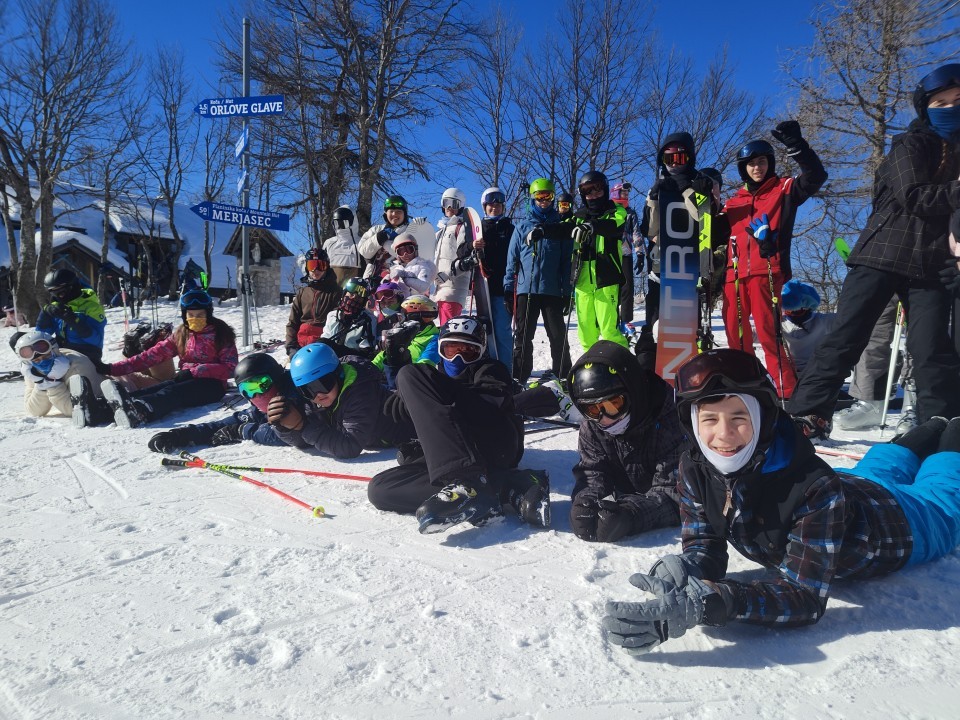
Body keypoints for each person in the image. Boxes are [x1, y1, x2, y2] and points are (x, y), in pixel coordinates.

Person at [602, 348, 960, 656]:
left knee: (945, 480)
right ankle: (937, 421)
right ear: (692, 423)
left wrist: (718, 600)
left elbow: (804, 597)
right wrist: (689, 568)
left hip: (901, 524)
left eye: (739, 418)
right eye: (709, 419)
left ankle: (953, 423)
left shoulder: (814, 487)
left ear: (763, 418)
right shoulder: (694, 468)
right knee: (887, 459)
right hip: (856, 483)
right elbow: (705, 544)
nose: (723, 435)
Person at [788, 65, 960, 439]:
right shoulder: (910, 145)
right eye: (941, 103)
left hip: (931, 265)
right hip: (882, 254)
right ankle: (806, 415)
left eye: (958, 102)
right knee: (847, 337)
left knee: (931, 347)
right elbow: (913, 195)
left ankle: (940, 424)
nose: (950, 109)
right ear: (925, 109)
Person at [367, 316, 548, 534]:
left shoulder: (491, 370)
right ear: (441, 352)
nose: (459, 358)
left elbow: (489, 409)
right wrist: (401, 371)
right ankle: (500, 487)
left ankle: (467, 481)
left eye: (469, 351)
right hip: (456, 457)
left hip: (493, 445)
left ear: (481, 352)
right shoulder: (431, 381)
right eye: (451, 350)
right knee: (379, 489)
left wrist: (437, 394)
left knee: (411, 373)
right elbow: (393, 413)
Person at [722, 122, 827, 399]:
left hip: (767, 271)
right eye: (750, 163)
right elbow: (713, 233)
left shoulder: (784, 189)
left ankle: (786, 390)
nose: (757, 168)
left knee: (769, 335)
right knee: (736, 335)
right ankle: (745, 384)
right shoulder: (734, 202)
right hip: (733, 277)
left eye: (762, 161)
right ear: (742, 168)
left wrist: (798, 147)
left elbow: (815, 176)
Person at [567, 340, 688, 543]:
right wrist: (586, 499)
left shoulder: (670, 418)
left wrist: (631, 515)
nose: (604, 417)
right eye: (593, 409)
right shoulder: (593, 426)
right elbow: (593, 472)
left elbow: (675, 494)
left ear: (634, 392)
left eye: (614, 404)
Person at [98, 290, 239, 428]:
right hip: (186, 378)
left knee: (172, 392)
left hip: (212, 386)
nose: (195, 318)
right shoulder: (181, 334)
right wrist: (112, 369)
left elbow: (231, 368)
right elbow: (151, 356)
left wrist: (195, 371)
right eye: (191, 315)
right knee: (156, 388)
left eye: (200, 314)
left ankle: (141, 412)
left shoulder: (221, 334)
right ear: (185, 315)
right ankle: (102, 409)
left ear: (208, 314)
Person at [268, 342, 413, 459]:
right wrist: (286, 427)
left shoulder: (360, 391)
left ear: (338, 375)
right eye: (307, 390)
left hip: (413, 426)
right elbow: (306, 439)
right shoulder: (318, 398)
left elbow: (350, 446)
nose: (318, 394)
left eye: (323, 384)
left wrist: (303, 426)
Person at [146, 352, 297, 452]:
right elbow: (228, 422)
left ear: (277, 378)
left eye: (262, 384)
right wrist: (182, 435)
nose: (257, 394)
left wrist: (242, 431)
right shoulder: (260, 408)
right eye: (247, 389)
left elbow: (288, 434)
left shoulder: (297, 396)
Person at [503, 178, 573, 382]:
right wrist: (509, 289)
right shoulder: (522, 226)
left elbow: (566, 262)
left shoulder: (560, 227)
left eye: (548, 196)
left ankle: (563, 374)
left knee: (558, 335)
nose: (544, 201)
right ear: (533, 198)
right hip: (527, 290)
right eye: (539, 196)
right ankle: (520, 375)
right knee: (524, 336)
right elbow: (512, 259)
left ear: (553, 198)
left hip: (552, 291)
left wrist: (567, 293)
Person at [569, 170, 628, 350]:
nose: (593, 194)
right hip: (582, 276)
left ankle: (624, 367)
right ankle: (590, 368)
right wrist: (543, 230)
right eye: (588, 190)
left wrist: (591, 226)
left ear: (605, 189)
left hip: (606, 275)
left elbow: (614, 226)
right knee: (585, 330)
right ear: (582, 194)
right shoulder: (578, 216)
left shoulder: (615, 211)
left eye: (598, 189)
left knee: (609, 329)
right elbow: (562, 229)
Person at [12, 330, 110, 427]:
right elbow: (34, 411)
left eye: (46, 357)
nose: (42, 363)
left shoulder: (77, 365)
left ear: (54, 350)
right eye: (36, 360)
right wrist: (42, 384)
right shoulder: (32, 372)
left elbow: (78, 410)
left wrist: (54, 384)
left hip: (103, 398)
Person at [470, 186, 516, 368]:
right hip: (483, 288)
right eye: (490, 204)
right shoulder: (478, 228)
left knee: (503, 330)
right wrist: (472, 246)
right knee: (485, 331)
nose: (494, 207)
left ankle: (505, 370)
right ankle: (488, 368)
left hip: (503, 287)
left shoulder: (510, 229)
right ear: (485, 206)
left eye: (498, 203)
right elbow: (462, 251)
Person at [358, 195, 436, 283]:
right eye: (391, 211)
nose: (394, 214)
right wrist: (379, 238)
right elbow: (364, 252)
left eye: (398, 211)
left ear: (404, 214)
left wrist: (422, 229)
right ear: (386, 213)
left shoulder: (411, 233)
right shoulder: (376, 230)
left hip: (400, 282)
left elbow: (420, 257)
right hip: (372, 279)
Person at [35, 269, 107, 362]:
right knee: (19, 341)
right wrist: (45, 313)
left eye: (62, 292)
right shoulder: (57, 307)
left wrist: (74, 320)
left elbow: (96, 340)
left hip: (86, 356)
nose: (59, 296)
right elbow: (41, 336)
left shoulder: (92, 307)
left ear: (73, 286)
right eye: (54, 293)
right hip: (61, 355)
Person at [371, 294, 440, 389]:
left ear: (415, 317)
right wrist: (370, 368)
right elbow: (383, 355)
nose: (401, 320)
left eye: (404, 315)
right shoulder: (405, 333)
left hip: (407, 384)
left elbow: (425, 365)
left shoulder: (434, 339)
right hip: (386, 377)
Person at [284, 247, 341, 358]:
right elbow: (292, 323)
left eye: (321, 265)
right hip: (299, 346)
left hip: (321, 346)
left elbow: (336, 323)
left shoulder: (335, 292)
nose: (316, 270)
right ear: (306, 267)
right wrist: (291, 347)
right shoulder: (303, 293)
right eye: (312, 265)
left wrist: (326, 344)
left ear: (327, 267)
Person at [432, 187, 472, 324]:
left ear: (461, 206)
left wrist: (447, 274)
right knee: (439, 330)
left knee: (448, 328)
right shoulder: (440, 232)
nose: (449, 207)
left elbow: (465, 258)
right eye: (446, 203)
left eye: (454, 204)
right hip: (438, 289)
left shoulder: (461, 228)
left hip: (453, 288)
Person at [320, 277, 378, 357]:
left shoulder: (368, 320)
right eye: (351, 293)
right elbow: (325, 338)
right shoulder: (332, 315)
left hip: (353, 364)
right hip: (328, 359)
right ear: (344, 293)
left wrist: (342, 351)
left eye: (359, 296)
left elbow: (367, 352)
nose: (354, 297)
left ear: (364, 300)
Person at [611, 182, 641, 326]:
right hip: (610, 254)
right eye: (623, 192)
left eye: (628, 193)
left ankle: (626, 319)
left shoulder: (631, 212)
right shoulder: (609, 210)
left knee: (627, 288)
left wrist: (640, 253)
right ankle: (612, 318)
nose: (626, 195)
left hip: (625, 254)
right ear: (616, 193)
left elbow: (636, 233)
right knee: (611, 288)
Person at [323, 205, 363, 286]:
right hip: (331, 292)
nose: (340, 227)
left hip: (353, 293)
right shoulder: (329, 243)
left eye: (343, 223)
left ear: (352, 222)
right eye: (336, 223)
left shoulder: (361, 243)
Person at [387, 233, 436, 298]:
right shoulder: (397, 267)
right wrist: (387, 279)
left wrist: (405, 277)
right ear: (397, 255)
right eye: (401, 251)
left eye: (409, 250)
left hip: (416, 304)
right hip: (399, 303)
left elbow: (424, 287)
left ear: (415, 250)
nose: (405, 254)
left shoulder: (422, 266)